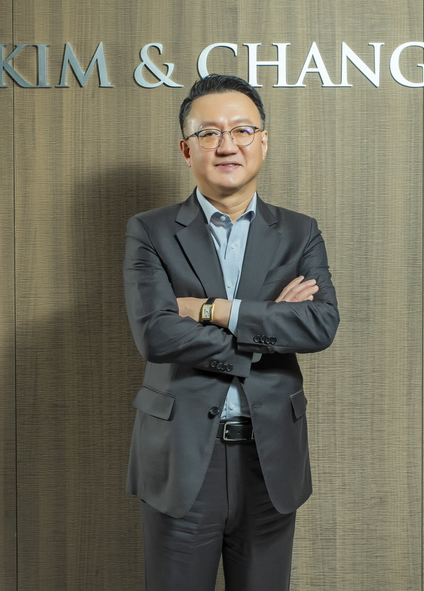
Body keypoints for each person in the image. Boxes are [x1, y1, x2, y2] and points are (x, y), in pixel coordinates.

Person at [123, 74, 339, 590]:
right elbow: (157, 336)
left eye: (242, 130)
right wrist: (269, 322)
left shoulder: (299, 232)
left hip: (271, 458)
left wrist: (213, 310)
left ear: (263, 141)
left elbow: (319, 324)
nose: (227, 145)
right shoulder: (150, 231)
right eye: (209, 133)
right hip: (181, 460)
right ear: (186, 148)